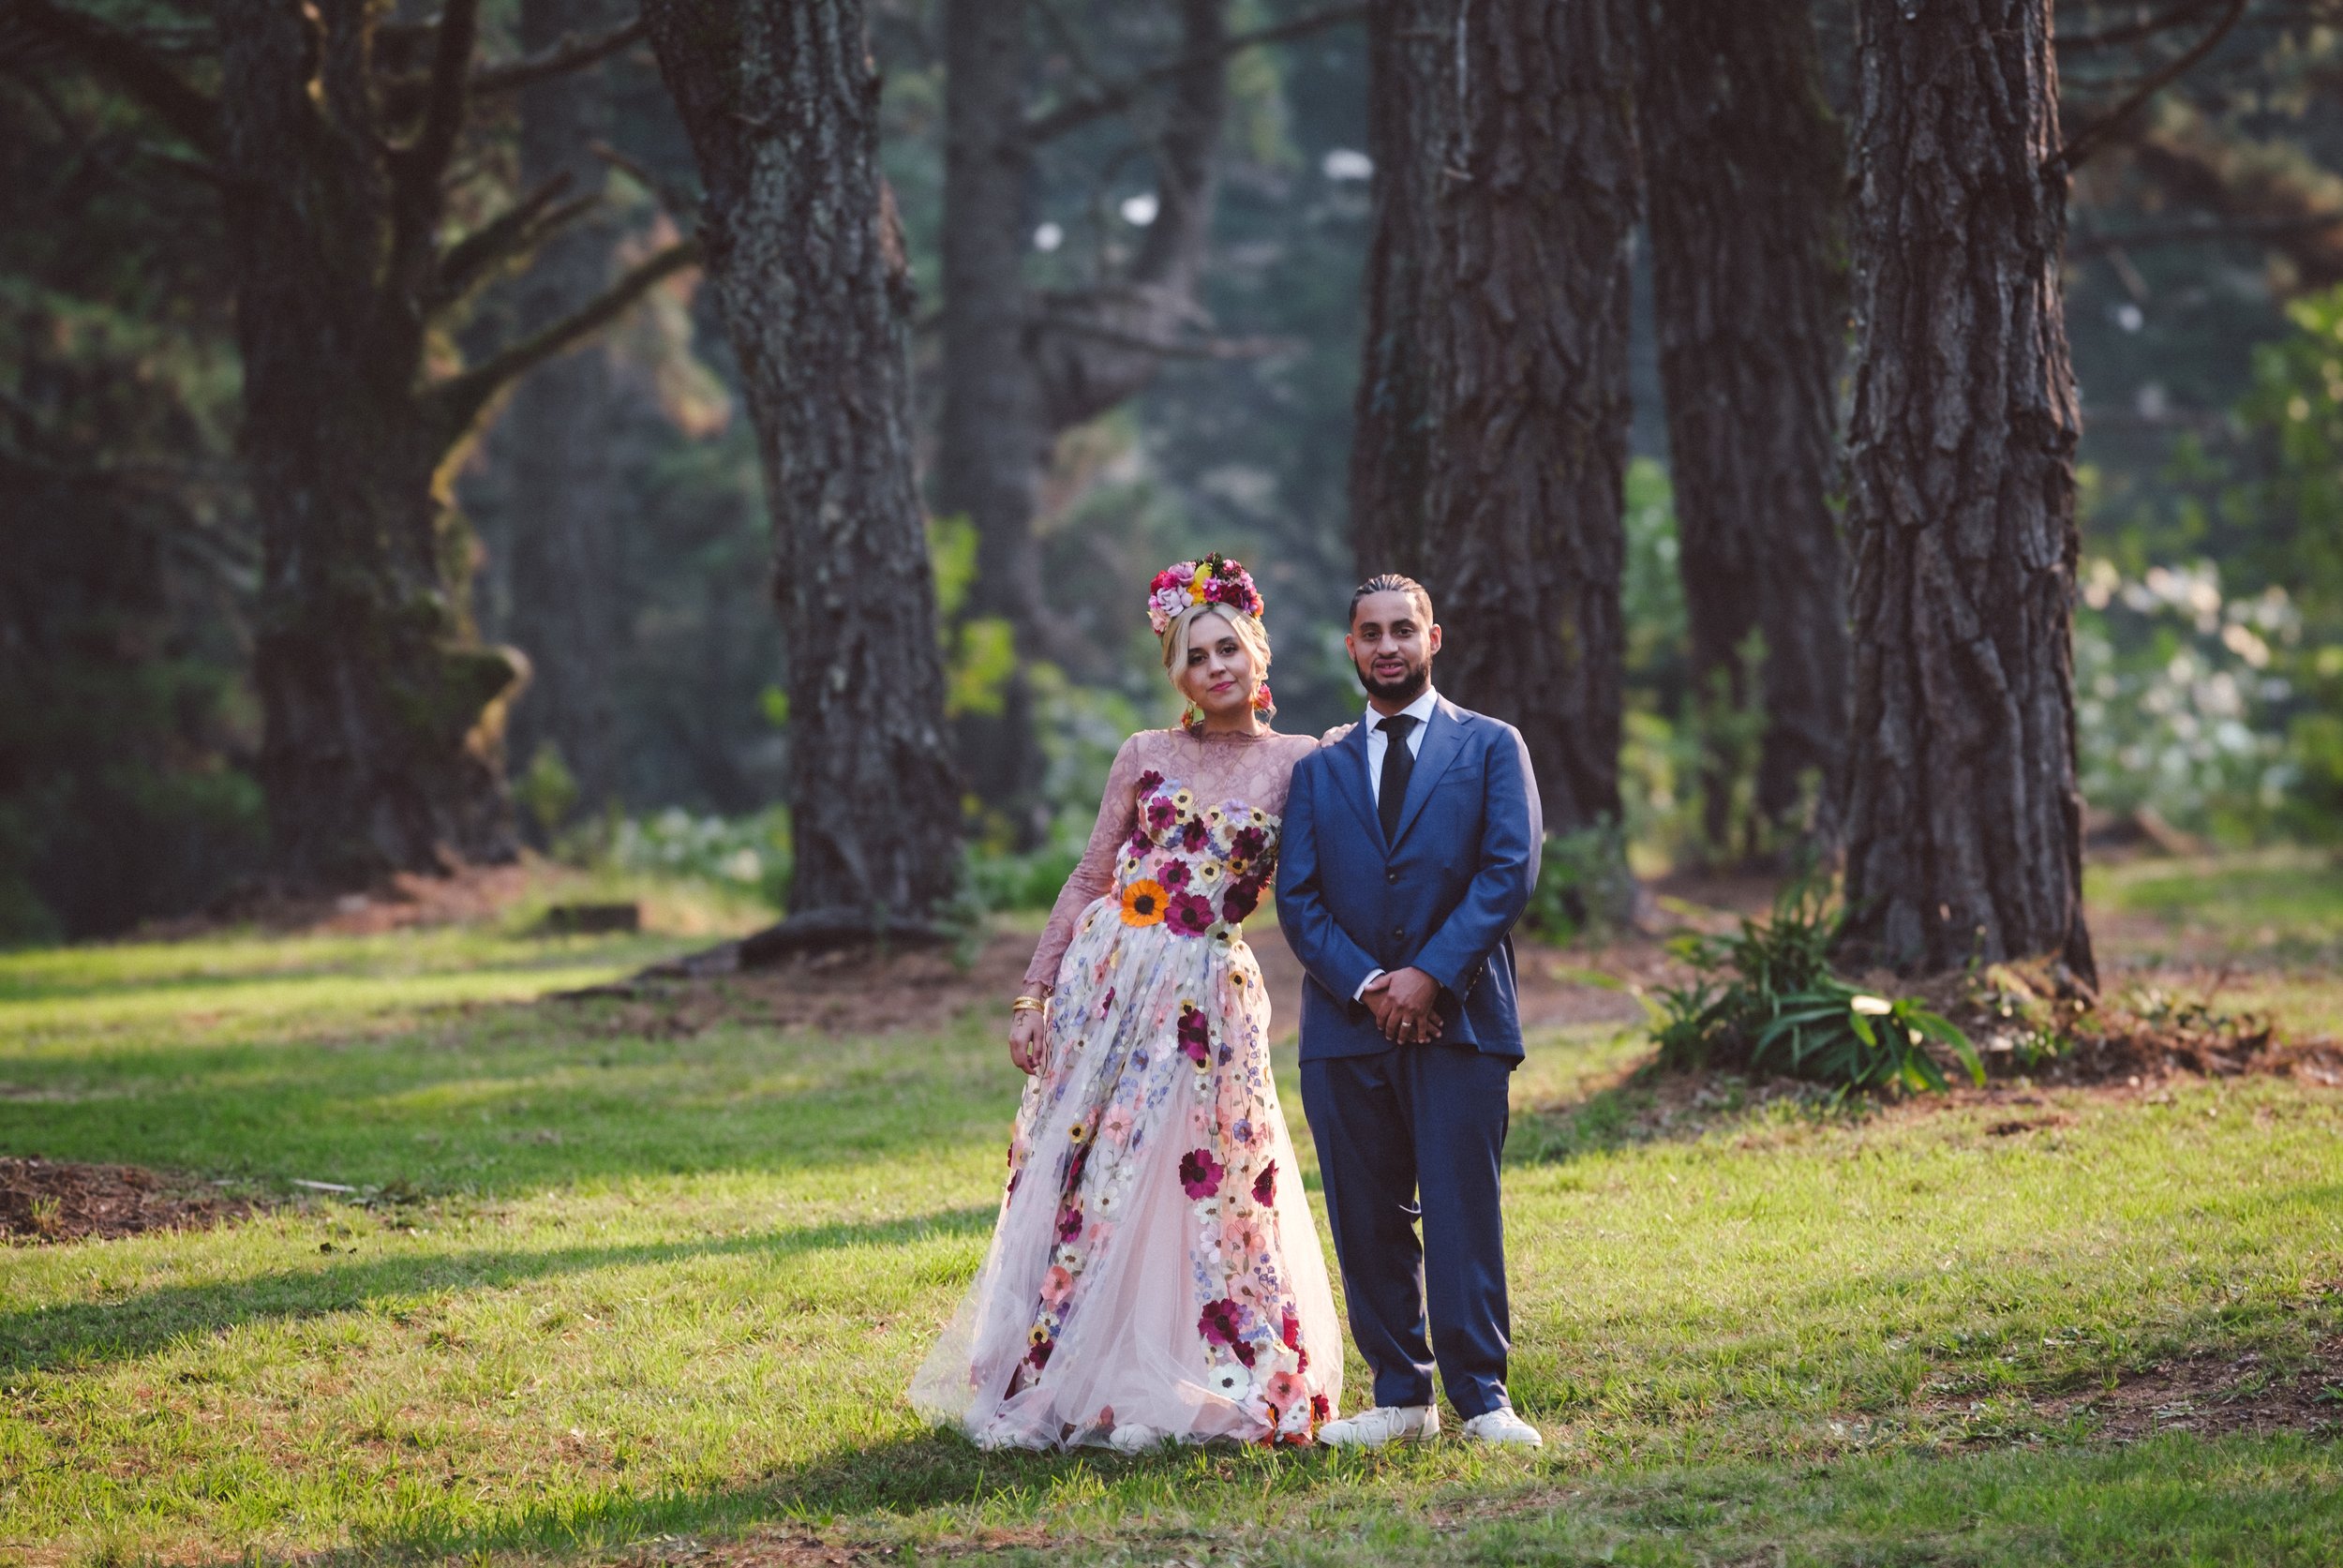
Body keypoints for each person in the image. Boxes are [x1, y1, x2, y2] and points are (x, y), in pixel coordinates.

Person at [910, 555, 1343, 1452]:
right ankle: (1073, 1373)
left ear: (1258, 652)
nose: (1215, 666)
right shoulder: (1144, 753)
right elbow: (1088, 872)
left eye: (1229, 647)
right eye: (1195, 656)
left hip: (1204, 998)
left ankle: (1200, 1369)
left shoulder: (1303, 764)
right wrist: (1034, 991)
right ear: (1176, 673)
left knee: (1204, 1179)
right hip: (1105, 983)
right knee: (1094, 1175)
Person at [1273, 573, 1545, 1448]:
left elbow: (1510, 870)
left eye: (1403, 629)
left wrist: (1429, 974)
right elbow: (1299, 899)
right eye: (1370, 632)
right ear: (1349, 648)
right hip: (1345, 1029)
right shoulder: (1318, 771)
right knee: (1365, 1212)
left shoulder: (1493, 746)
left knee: (1465, 1207)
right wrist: (1372, 985)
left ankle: (1482, 1397)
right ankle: (1400, 1397)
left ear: (1435, 639)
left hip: (1461, 1019)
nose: (1387, 645)